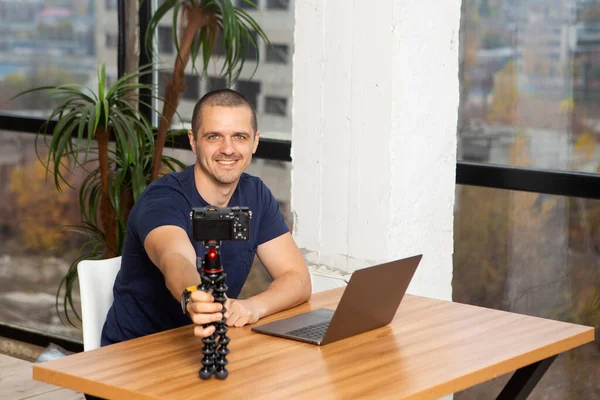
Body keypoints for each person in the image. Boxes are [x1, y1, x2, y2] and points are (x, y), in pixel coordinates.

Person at [100, 88, 312, 346]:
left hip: (206, 347)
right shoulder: (162, 199)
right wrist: (193, 295)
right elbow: (174, 257)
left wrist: (253, 307)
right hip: (133, 356)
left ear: (255, 141)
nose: (228, 149)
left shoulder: (256, 195)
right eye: (214, 136)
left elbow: (297, 278)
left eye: (240, 137)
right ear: (193, 141)